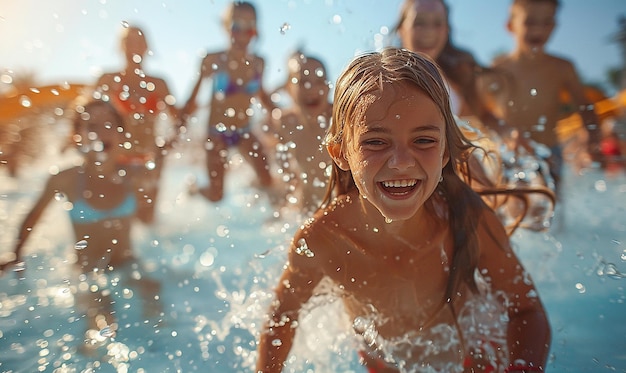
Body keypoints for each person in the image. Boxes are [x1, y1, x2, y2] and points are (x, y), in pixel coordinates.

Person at [256, 48, 550, 372]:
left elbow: (526, 311)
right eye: (375, 142)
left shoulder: (468, 219)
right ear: (340, 153)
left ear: (445, 153)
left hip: (471, 355)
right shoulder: (323, 240)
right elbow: (281, 320)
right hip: (383, 362)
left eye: (423, 141)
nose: (401, 163)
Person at [0, 98, 162, 351]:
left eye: (109, 125)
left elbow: (148, 218)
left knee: (159, 314)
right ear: (78, 136)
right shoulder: (64, 180)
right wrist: (16, 253)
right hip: (88, 272)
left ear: (122, 133)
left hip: (128, 264)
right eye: (91, 126)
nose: (100, 132)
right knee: (103, 325)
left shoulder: (136, 174)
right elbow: (31, 218)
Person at [393, 0, 557, 233]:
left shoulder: (456, 72)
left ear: (446, 30)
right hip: (410, 177)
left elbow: (484, 115)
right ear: (402, 29)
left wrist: (509, 133)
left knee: (529, 212)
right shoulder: (386, 77)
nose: (429, 31)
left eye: (437, 23)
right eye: (420, 23)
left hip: (462, 170)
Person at [483, 0, 600, 195]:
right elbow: (483, 113)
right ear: (510, 26)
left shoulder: (562, 68)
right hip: (510, 152)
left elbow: (585, 106)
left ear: (554, 27)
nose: (539, 29)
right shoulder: (497, 69)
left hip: (550, 152)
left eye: (547, 22)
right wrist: (506, 133)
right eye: (530, 22)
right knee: (512, 211)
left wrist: (590, 139)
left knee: (552, 211)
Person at [182, 1, 275, 202]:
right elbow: (193, 96)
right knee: (217, 195)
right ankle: (195, 190)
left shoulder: (258, 63)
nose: (242, 34)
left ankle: (253, 191)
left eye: (248, 28)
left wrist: (281, 118)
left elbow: (263, 96)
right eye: (236, 27)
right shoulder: (213, 59)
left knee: (268, 180)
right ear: (225, 27)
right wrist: (180, 124)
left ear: (255, 30)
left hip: (244, 131)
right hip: (216, 133)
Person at [94, 25, 181, 224]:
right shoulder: (107, 80)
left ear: (146, 47)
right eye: (128, 41)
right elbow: (84, 112)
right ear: (120, 46)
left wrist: (168, 144)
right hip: (114, 158)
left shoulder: (159, 84)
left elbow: (179, 120)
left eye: (139, 41)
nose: (134, 46)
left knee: (146, 221)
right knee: (114, 219)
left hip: (150, 158)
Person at [268, 51, 333, 214]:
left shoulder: (341, 120)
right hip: (307, 202)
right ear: (289, 88)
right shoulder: (284, 122)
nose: (311, 88)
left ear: (328, 87)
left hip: (340, 203)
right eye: (303, 81)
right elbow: (287, 170)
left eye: (319, 81)